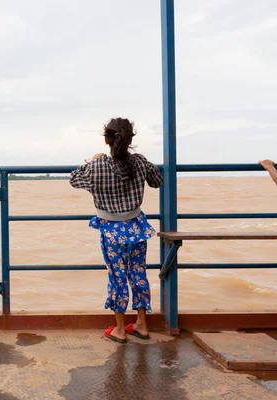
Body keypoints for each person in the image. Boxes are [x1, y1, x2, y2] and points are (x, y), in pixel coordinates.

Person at [69, 117, 163, 343]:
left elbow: (74, 180)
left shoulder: (98, 167)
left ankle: (120, 329)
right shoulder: (140, 162)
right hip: (137, 227)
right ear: (131, 140)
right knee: (138, 273)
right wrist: (143, 163)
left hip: (111, 231)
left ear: (106, 140)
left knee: (117, 276)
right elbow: (157, 181)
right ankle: (141, 324)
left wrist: (92, 162)